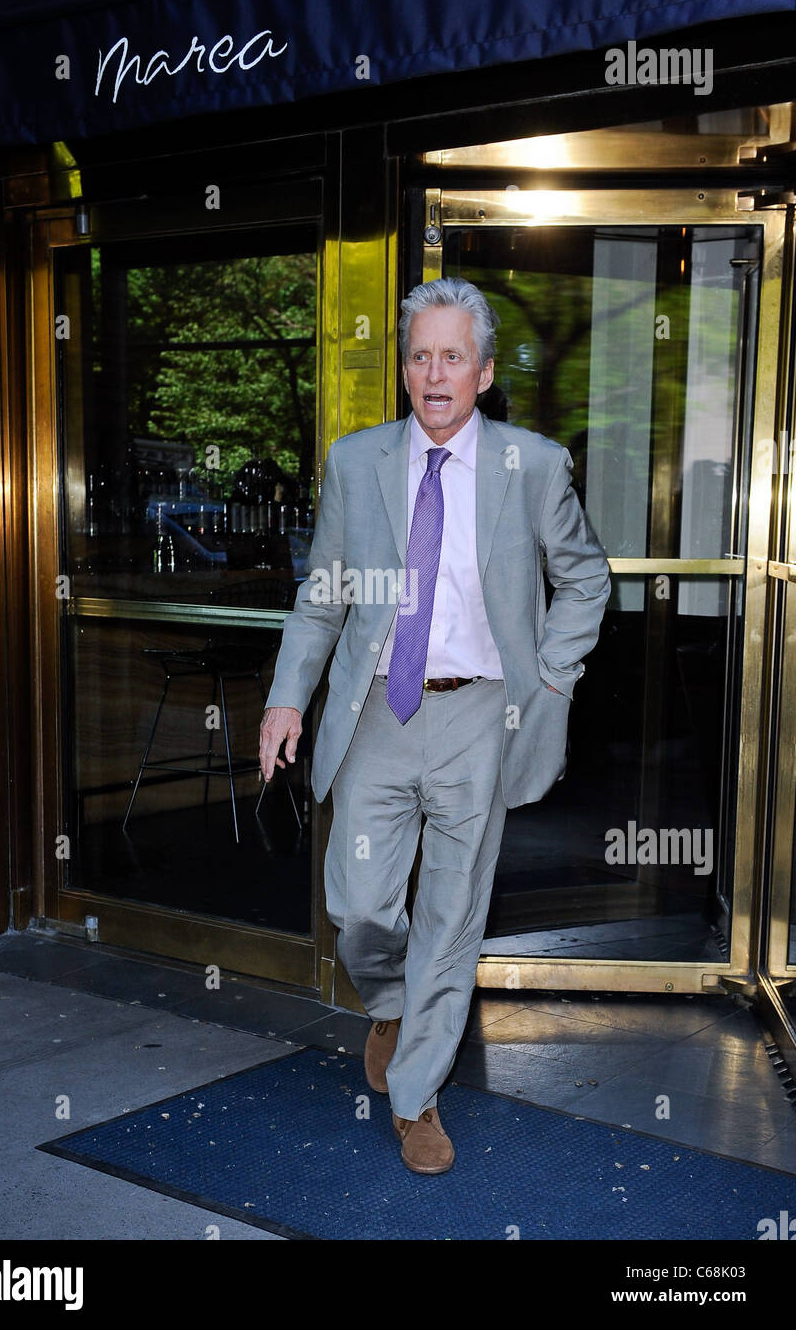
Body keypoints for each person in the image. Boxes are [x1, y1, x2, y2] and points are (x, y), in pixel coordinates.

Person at [259, 277, 610, 1175]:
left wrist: (552, 676)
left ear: (485, 372)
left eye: (453, 356)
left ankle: (416, 1097)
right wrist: (286, 697)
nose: (434, 372)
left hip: (481, 715)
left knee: (451, 917)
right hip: (378, 709)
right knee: (360, 906)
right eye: (420, 355)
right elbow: (326, 593)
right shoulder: (357, 461)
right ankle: (389, 999)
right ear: (405, 368)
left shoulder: (532, 465)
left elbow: (585, 580)